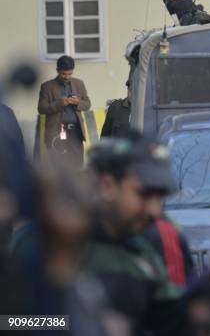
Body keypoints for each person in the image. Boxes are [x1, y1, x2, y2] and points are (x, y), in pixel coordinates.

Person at [84, 134, 189, 335]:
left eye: (160, 197)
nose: (154, 210)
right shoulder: (57, 239)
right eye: (144, 194)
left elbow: (171, 321)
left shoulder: (155, 240)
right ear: (108, 186)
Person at [37, 55, 91, 167]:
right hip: (56, 132)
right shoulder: (47, 86)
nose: (67, 77)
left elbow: (87, 104)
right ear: (57, 71)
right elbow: (41, 108)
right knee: (59, 167)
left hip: (75, 132)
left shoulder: (79, 83)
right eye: (64, 74)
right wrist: (59, 103)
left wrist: (77, 102)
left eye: (70, 74)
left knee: (77, 165)